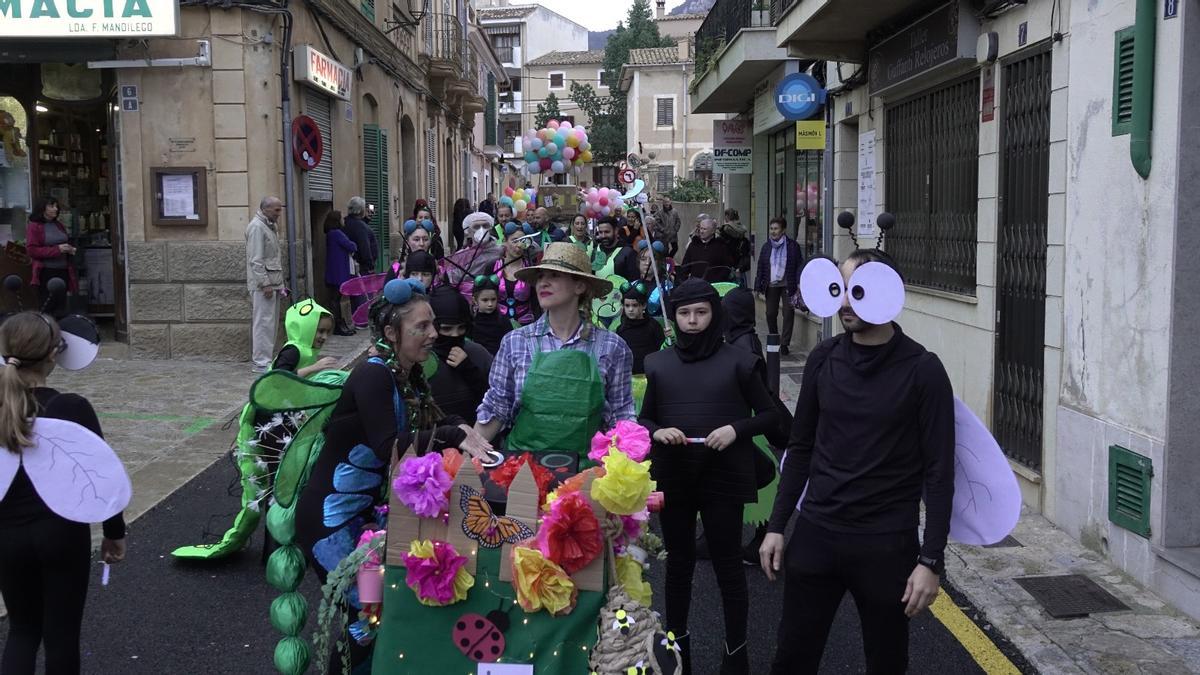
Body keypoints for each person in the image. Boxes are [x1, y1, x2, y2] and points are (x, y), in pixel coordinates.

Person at [759, 250, 955, 674]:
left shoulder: (923, 370)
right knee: (791, 659)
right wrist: (777, 526)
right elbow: (801, 448)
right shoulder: (823, 358)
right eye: (840, 289)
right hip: (816, 534)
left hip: (886, 543)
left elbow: (940, 472)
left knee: (886, 663)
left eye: (858, 290)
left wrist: (931, 561)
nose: (845, 303)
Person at [295, 278, 491, 670]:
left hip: (364, 517)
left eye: (433, 324)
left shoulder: (408, 372)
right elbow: (390, 446)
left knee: (378, 612)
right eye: (421, 327)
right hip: (331, 521)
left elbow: (431, 416)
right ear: (391, 332)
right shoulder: (373, 375)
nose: (433, 334)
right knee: (367, 614)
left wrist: (461, 426)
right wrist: (451, 435)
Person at [639, 279, 782, 675]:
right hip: (676, 474)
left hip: (724, 475)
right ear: (675, 317)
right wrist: (656, 431)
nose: (692, 321)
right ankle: (676, 648)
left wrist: (737, 429)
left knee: (728, 565)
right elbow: (645, 417)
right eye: (684, 313)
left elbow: (771, 416)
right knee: (679, 563)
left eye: (701, 312)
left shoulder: (739, 360)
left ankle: (736, 652)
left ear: (714, 313)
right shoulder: (659, 363)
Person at [0, 312, 127, 673]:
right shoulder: (71, 408)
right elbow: (101, 477)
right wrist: (114, 534)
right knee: (61, 636)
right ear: (55, 354)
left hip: (7, 536)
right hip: (61, 534)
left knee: (22, 631)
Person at [170, 299, 339, 562]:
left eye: (327, 331)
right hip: (267, 426)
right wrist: (316, 369)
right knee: (279, 484)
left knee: (286, 483)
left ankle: (281, 545)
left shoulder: (304, 350)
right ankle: (273, 551)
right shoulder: (293, 349)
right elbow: (278, 380)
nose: (323, 337)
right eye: (319, 330)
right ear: (302, 326)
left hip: (280, 423)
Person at [474, 242, 635, 457]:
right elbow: (497, 407)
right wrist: (466, 457)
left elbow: (621, 415)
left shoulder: (612, 347)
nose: (543, 283)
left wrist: (630, 472)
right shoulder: (516, 342)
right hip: (524, 475)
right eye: (540, 276)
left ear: (580, 286)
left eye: (554, 275)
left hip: (586, 477)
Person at [426, 286, 492, 424]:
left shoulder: (478, 354)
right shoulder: (420, 357)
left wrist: (470, 370)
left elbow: (496, 400)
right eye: (446, 329)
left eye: (461, 328)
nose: (455, 335)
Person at [246, 196, 285, 373]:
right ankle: (261, 362)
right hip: (264, 285)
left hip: (273, 282)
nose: (279, 213)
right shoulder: (256, 227)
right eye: (276, 210)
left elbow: (274, 258)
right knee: (263, 323)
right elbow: (256, 260)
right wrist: (265, 284)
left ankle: (266, 359)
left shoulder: (270, 226)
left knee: (270, 323)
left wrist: (280, 284)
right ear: (265, 209)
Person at [755, 217, 802, 356]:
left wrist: (799, 283)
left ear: (783, 230)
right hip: (771, 284)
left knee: (788, 313)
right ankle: (774, 337)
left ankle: (785, 344)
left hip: (788, 284)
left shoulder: (793, 246)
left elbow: (799, 265)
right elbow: (761, 267)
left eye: (776, 229)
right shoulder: (766, 246)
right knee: (770, 313)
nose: (773, 232)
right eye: (771, 229)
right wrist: (758, 286)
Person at [25, 196, 77, 316]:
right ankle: (47, 333)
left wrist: (69, 249)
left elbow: (62, 242)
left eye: (56, 206)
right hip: (46, 272)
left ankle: (60, 333)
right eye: (52, 206)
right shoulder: (34, 226)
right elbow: (32, 251)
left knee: (61, 307)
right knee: (48, 306)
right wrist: (57, 250)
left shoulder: (58, 225)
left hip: (63, 270)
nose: (55, 209)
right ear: (42, 208)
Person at [614, 280, 664, 375]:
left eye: (635, 305)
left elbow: (662, 352)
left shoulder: (653, 326)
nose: (631, 309)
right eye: (627, 305)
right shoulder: (621, 329)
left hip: (651, 374)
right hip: (628, 376)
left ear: (644, 305)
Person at [493, 222, 537, 326]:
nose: (518, 246)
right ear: (505, 241)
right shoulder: (493, 267)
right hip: (498, 325)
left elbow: (536, 302)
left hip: (526, 325)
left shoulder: (530, 269)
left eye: (522, 241)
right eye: (514, 241)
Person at [323, 210, 358, 336]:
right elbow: (352, 246)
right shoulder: (337, 233)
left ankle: (340, 323)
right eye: (341, 218)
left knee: (336, 299)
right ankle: (338, 325)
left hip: (333, 271)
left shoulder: (330, 234)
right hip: (338, 272)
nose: (343, 220)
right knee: (336, 300)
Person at [680, 216, 736, 284]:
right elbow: (685, 266)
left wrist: (719, 280)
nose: (701, 231)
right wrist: (685, 282)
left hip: (715, 286)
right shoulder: (693, 245)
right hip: (695, 286)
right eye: (701, 228)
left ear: (712, 231)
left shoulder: (721, 246)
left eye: (705, 229)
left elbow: (727, 266)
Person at [470, 275, 512, 355]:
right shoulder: (471, 322)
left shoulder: (504, 321)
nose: (490, 304)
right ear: (475, 300)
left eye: (493, 299)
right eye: (485, 300)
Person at [594, 217, 639, 283]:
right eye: (600, 232)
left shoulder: (628, 252)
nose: (603, 236)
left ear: (616, 231)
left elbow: (634, 281)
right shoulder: (595, 251)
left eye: (607, 232)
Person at [343, 197, 379, 275]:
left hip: (351, 265)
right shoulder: (360, 226)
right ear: (361, 210)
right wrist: (370, 266)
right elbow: (364, 246)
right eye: (364, 208)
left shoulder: (346, 222)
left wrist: (366, 219)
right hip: (363, 268)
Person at [720, 209, 752, 287]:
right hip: (740, 265)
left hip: (728, 265)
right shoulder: (742, 229)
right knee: (741, 289)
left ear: (727, 216)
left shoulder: (725, 229)